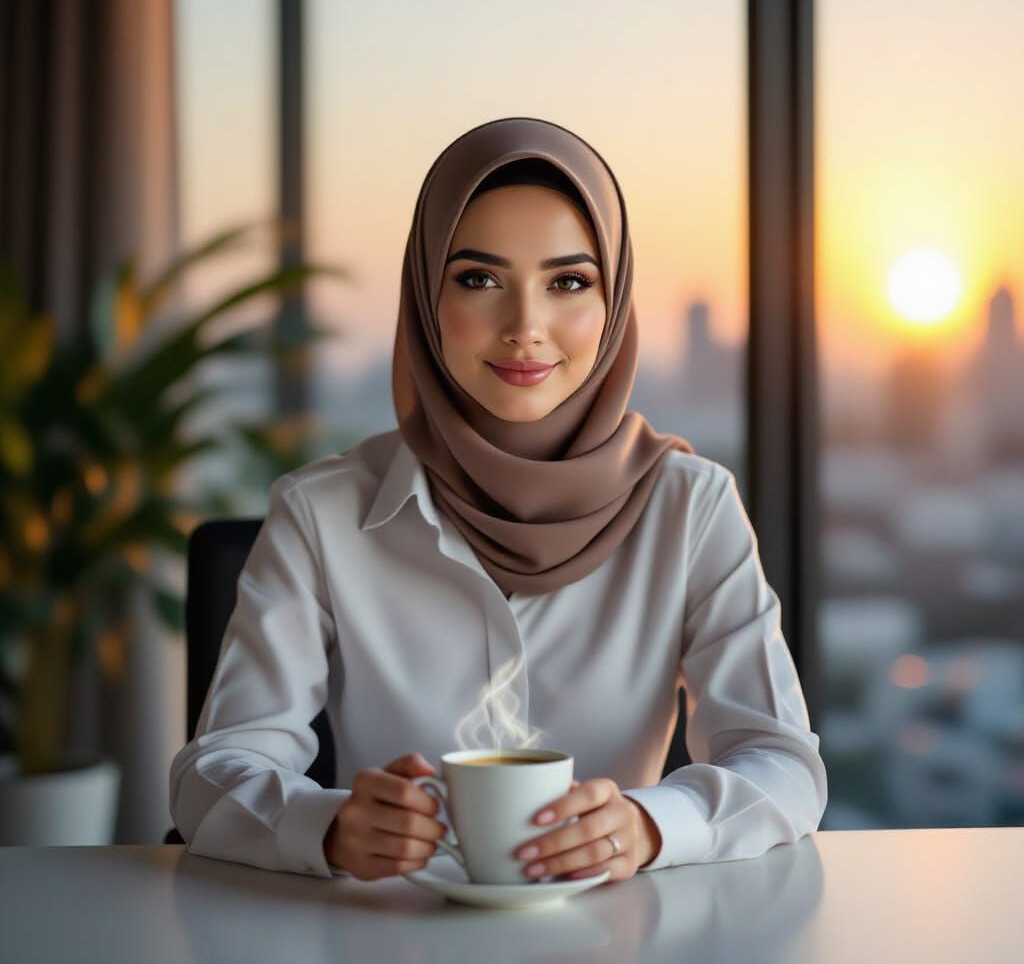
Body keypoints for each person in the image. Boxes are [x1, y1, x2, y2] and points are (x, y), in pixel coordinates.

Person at [168, 117, 827, 885]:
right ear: (425, 296)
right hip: (387, 936)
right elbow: (211, 775)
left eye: (569, 282)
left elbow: (785, 764)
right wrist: (330, 826)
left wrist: (649, 826)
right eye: (478, 279)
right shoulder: (321, 512)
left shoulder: (692, 506)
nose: (525, 328)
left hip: (623, 938)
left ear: (614, 306)